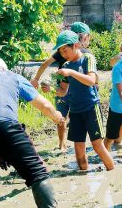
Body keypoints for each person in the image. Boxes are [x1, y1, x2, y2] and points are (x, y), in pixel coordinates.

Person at [0, 55, 64, 208]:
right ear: (2, 69)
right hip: (4, 123)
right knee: (38, 174)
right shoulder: (13, 77)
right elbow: (45, 106)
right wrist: (58, 119)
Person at [54, 30, 114, 171]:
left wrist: (72, 73)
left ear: (75, 45)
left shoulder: (87, 58)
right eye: (61, 52)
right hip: (74, 110)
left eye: (65, 50)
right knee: (78, 147)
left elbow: (92, 80)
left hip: (91, 108)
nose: (63, 54)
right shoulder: (65, 66)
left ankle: (111, 171)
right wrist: (51, 89)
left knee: (97, 145)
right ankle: (83, 173)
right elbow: (63, 91)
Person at [30, 22, 91, 152]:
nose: (64, 53)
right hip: (77, 91)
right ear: (85, 37)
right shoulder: (85, 53)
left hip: (62, 87)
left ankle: (62, 144)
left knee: (60, 116)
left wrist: (36, 78)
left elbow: (45, 63)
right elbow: (92, 78)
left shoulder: (63, 49)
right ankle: (80, 145)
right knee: (80, 118)